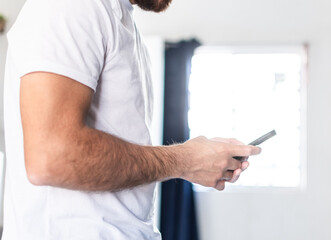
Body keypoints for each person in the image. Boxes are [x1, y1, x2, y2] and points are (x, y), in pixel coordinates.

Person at [3, 0, 261, 239]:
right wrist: (186, 160)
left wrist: (193, 161)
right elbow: (51, 156)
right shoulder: (72, 5)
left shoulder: (121, 21)